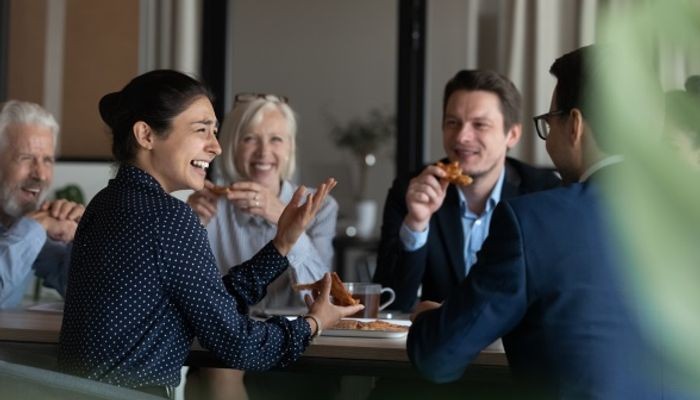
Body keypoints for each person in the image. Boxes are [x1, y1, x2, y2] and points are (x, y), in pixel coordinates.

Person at [57, 70, 363, 398]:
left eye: (215, 132)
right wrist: (313, 323)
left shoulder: (106, 203)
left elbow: (210, 303)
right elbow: (240, 345)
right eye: (202, 129)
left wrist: (282, 244)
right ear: (146, 135)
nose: (216, 147)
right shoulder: (169, 217)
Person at [407, 45, 677, 398]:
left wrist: (426, 319)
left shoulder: (532, 221)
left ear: (575, 125)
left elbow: (438, 359)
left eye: (549, 121)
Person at [185, 95, 338, 399]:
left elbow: (319, 294)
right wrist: (190, 226)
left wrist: (281, 216)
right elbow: (193, 297)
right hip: (227, 342)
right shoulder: (205, 203)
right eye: (250, 139)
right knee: (220, 364)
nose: (264, 152)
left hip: (299, 342)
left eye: (276, 139)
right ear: (230, 145)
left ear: (291, 147)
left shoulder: (320, 207)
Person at [373, 69, 560, 312]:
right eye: (453, 123)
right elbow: (389, 303)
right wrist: (416, 225)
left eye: (480, 125)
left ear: (512, 134)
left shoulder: (543, 193)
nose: (462, 137)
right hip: (438, 345)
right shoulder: (412, 189)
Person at [0, 100, 84, 309]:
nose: (40, 174)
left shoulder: (19, 221)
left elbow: (82, 293)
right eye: (26, 158)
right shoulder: (30, 228)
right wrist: (36, 227)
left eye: (47, 160)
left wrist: (82, 236)